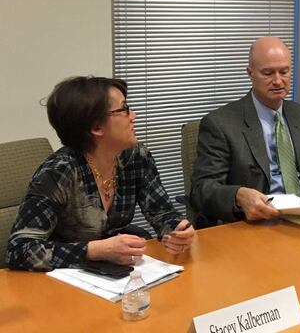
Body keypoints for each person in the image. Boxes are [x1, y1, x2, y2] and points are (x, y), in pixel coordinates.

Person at [6, 77, 195, 271]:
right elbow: (19, 250)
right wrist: (94, 250)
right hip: (64, 277)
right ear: (96, 127)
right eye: (124, 110)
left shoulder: (136, 157)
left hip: (120, 271)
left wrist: (176, 231)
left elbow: (162, 213)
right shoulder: (59, 172)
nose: (134, 116)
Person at [190, 36, 300, 227]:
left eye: (284, 72)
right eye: (268, 73)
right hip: (256, 223)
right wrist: (239, 196)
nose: (278, 81)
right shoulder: (220, 124)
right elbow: (202, 189)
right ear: (250, 73)